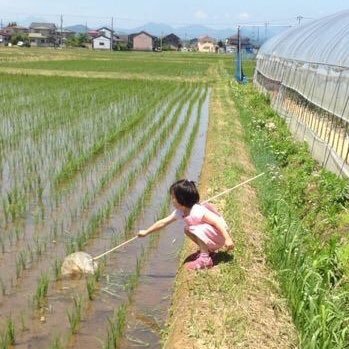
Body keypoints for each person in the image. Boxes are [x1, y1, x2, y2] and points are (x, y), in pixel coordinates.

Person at [137, 179, 234, 270]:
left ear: (181, 199)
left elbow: (216, 222)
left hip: (221, 235)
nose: (172, 200)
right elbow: (163, 222)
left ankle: (205, 259)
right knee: (187, 229)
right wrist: (146, 232)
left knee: (193, 229)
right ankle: (208, 252)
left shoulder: (197, 210)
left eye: (173, 198)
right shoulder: (181, 211)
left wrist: (228, 239)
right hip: (213, 235)